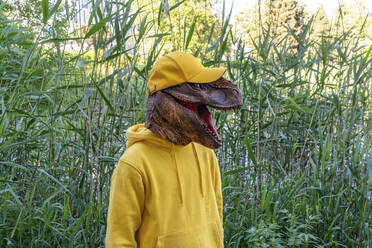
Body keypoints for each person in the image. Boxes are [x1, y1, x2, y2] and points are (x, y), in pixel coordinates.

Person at [106, 52, 242, 247]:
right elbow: (119, 239)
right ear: (164, 95)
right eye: (194, 87)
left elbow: (216, 212)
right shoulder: (134, 163)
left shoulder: (204, 151)